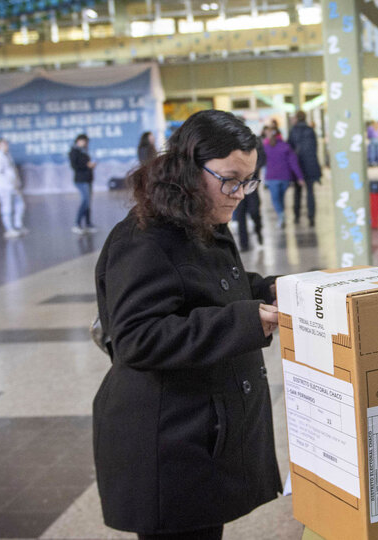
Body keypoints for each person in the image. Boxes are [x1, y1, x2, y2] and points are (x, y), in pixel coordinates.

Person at [93, 109, 281, 540]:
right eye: (231, 179)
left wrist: (267, 290)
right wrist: (245, 320)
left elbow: (207, 287)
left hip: (197, 429)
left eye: (249, 181)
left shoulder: (202, 218)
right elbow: (137, 338)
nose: (240, 193)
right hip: (164, 440)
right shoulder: (145, 239)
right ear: (190, 168)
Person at [262, 127, 303, 229]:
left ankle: (281, 215)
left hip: (272, 178)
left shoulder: (266, 148)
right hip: (285, 178)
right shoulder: (286, 147)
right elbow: (294, 163)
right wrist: (300, 177)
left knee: (275, 199)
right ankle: (282, 215)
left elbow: (262, 164)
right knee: (281, 198)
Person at [287, 111, 321, 227]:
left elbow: (290, 150)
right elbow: (314, 149)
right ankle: (311, 218)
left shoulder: (293, 131)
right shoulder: (310, 130)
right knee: (310, 193)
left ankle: (296, 216)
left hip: (298, 167)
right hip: (311, 166)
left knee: (297, 192)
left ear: (297, 118)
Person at [233, 133, 266, 251]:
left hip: (251, 187)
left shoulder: (253, 141)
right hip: (237, 186)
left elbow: (262, 158)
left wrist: (253, 168)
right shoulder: (231, 145)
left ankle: (258, 230)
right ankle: (244, 244)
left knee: (254, 212)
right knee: (240, 216)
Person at [0, 139, 27, 238]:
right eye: (3, 144)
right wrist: (8, 181)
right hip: (4, 186)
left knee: (20, 205)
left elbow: (12, 171)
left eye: (6, 144)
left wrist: (16, 182)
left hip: (13, 186)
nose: (6, 146)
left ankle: (17, 225)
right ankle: (9, 228)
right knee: (7, 207)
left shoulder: (7, 155)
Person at [69, 134, 97, 234]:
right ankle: (77, 223)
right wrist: (87, 165)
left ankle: (88, 223)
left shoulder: (84, 151)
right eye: (83, 141)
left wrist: (91, 166)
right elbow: (74, 166)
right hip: (81, 180)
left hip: (88, 179)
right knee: (85, 201)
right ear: (78, 141)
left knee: (88, 202)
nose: (85, 143)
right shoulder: (74, 152)